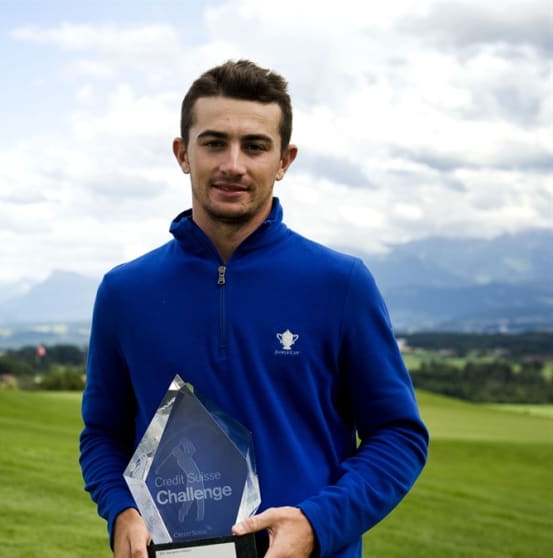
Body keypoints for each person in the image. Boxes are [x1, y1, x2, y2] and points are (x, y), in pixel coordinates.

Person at [79, 60, 429, 558]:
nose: (233, 164)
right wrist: (121, 511)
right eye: (214, 142)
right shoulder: (124, 292)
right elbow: (102, 434)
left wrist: (316, 523)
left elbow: (399, 436)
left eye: (255, 146)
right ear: (183, 153)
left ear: (284, 160)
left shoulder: (340, 283)